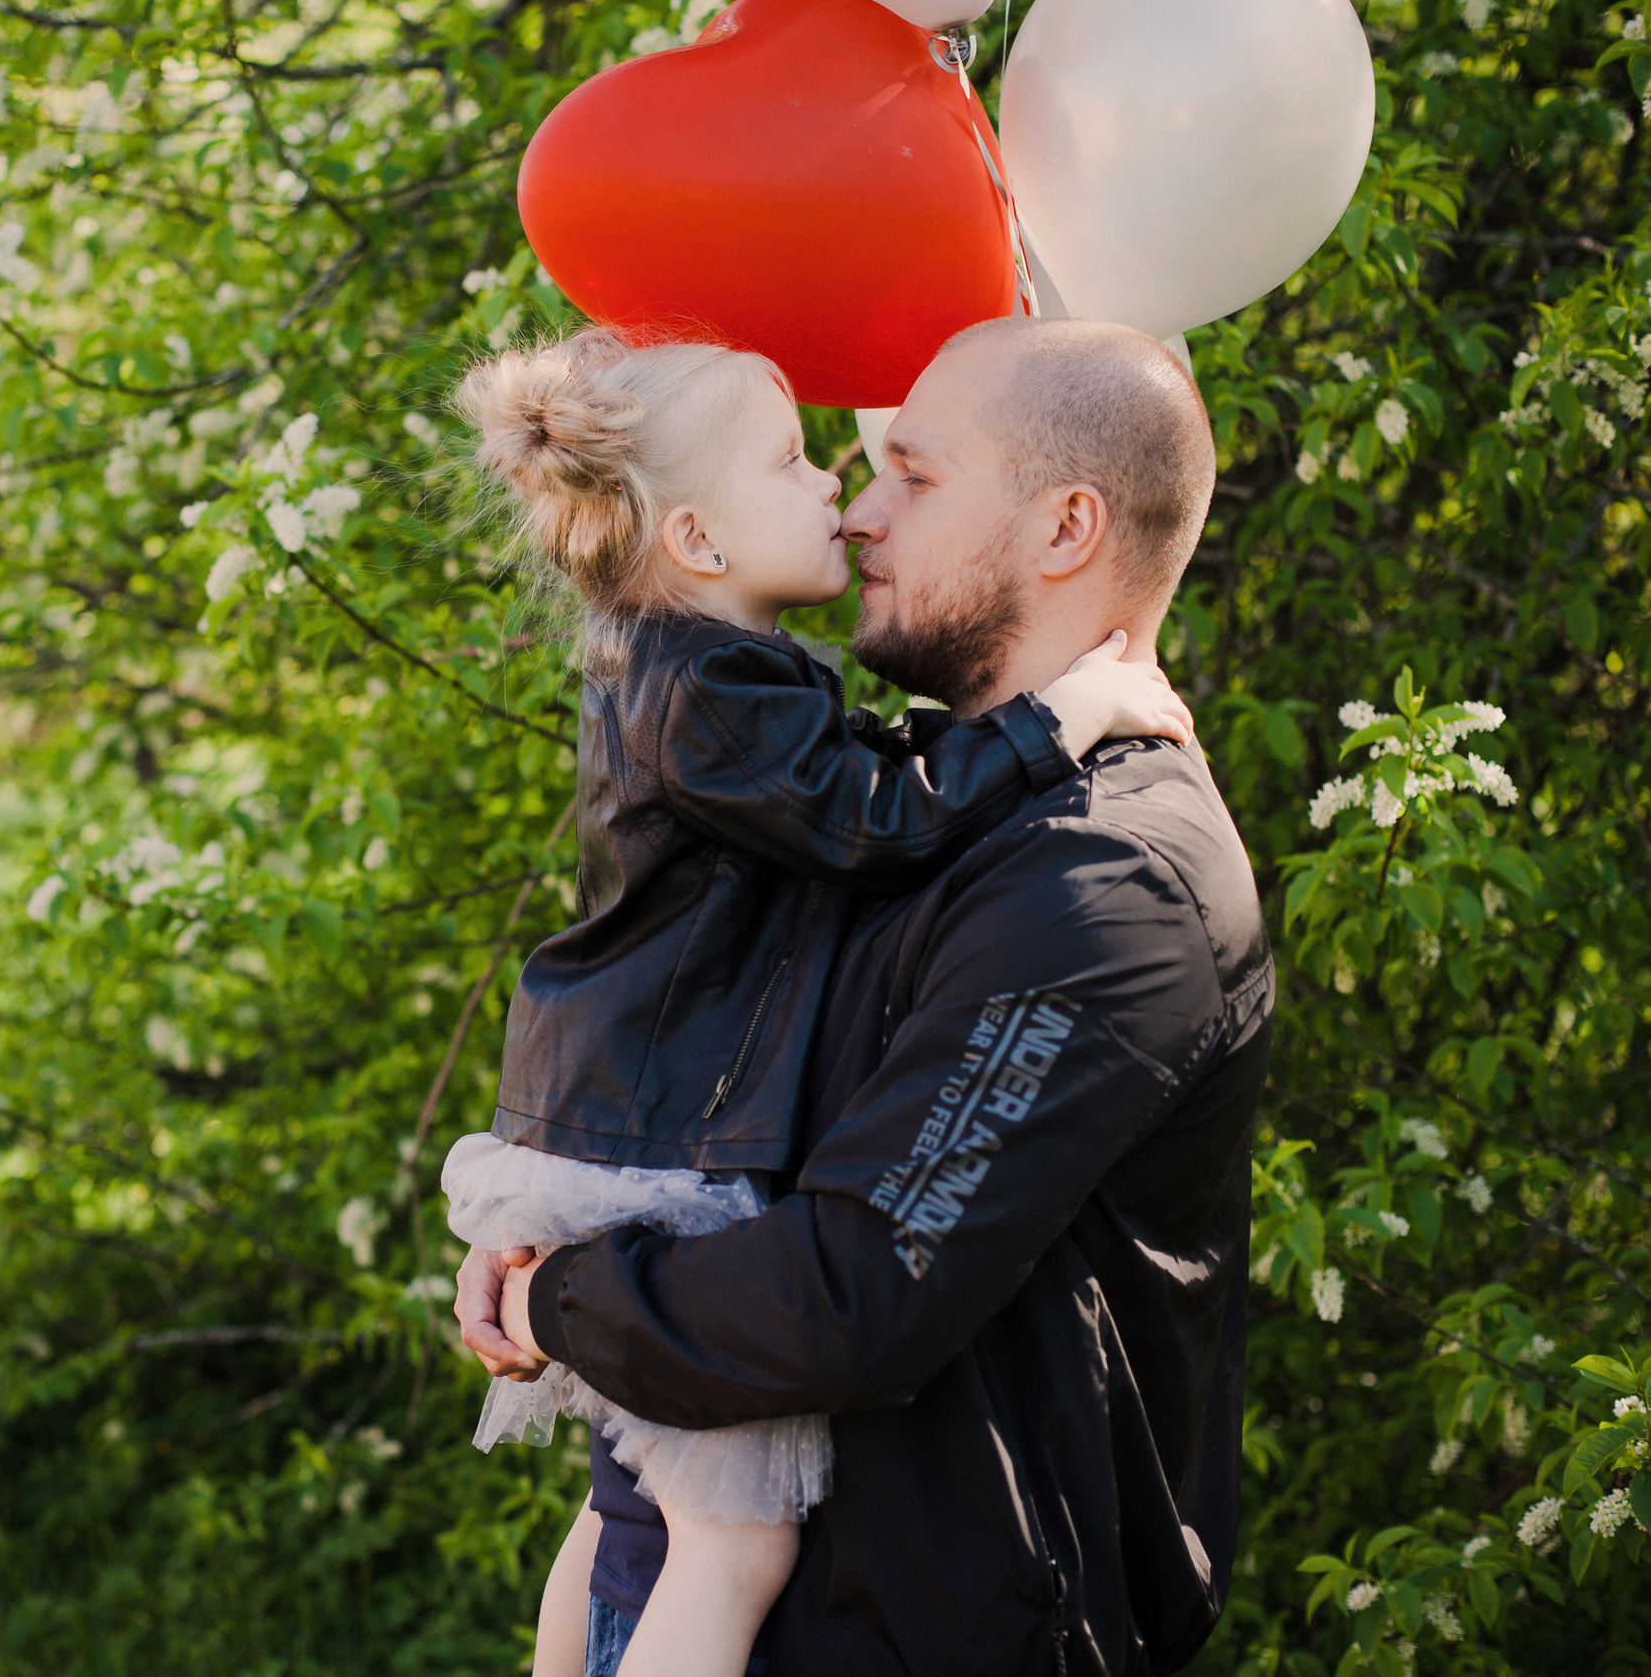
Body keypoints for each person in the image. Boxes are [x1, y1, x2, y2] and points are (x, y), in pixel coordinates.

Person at [460, 316, 1273, 1677]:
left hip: (907, 1635)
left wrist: (564, 1299)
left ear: (1066, 528)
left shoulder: (1103, 878)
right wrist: (566, 1221)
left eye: (914, 474)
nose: (860, 512)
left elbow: (855, 1286)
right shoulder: (897, 795)